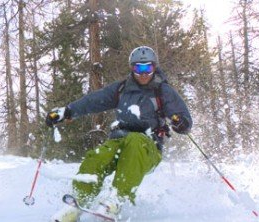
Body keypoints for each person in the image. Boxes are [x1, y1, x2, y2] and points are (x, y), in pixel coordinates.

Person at [47, 46, 192, 221]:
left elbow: (182, 116)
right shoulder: (122, 89)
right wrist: (67, 111)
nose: (144, 73)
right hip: (119, 141)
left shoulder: (162, 91)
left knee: (136, 140)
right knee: (97, 157)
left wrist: (181, 122)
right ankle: (76, 204)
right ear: (132, 68)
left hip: (148, 147)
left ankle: (115, 200)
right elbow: (93, 100)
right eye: (139, 68)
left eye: (148, 68)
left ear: (154, 68)